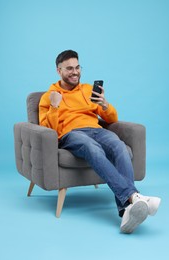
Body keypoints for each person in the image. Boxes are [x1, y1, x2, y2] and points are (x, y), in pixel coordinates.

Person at [39, 50, 161, 233]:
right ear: (59, 71)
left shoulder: (88, 89)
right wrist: (55, 106)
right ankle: (134, 197)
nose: (75, 72)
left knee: (120, 146)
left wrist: (105, 104)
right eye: (69, 68)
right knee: (92, 148)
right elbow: (49, 130)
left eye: (77, 67)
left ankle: (126, 210)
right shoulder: (49, 96)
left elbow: (111, 119)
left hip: (96, 129)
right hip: (72, 134)